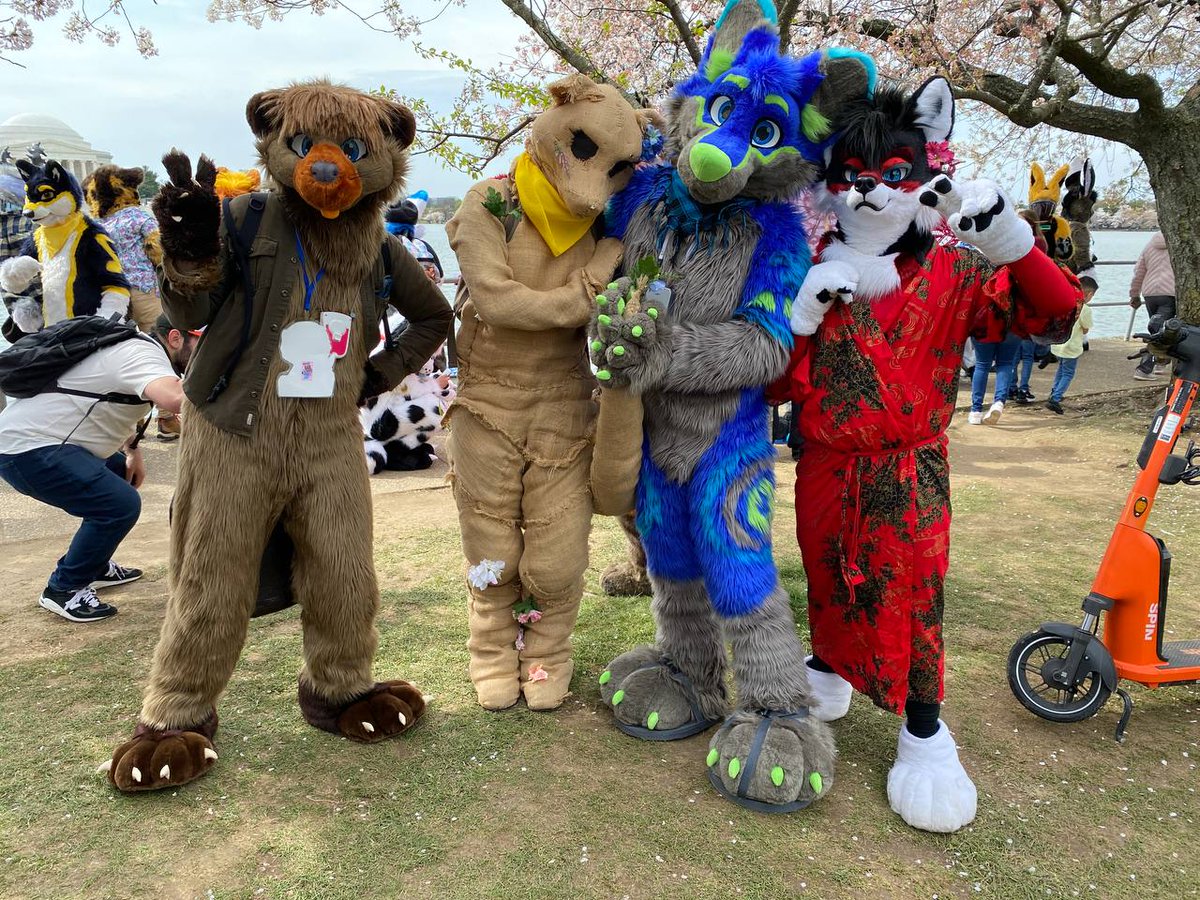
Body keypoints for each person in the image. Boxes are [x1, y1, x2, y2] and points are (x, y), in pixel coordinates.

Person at [0, 314, 194, 621]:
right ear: (175, 338)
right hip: (27, 449)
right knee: (119, 504)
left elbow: (110, 399)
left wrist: (132, 450)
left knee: (119, 477)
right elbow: (175, 399)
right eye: (201, 340)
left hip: (47, 442)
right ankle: (64, 588)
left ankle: (94, 563)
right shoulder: (142, 353)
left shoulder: (137, 349)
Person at [1046, 276, 1096, 414]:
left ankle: (1054, 391)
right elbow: (1086, 328)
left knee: (1061, 370)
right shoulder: (1085, 309)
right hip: (1071, 347)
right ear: (1089, 294)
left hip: (1059, 344)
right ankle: (1055, 398)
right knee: (1068, 373)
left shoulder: (1066, 302)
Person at [1130, 232, 1175, 380]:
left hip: (1150, 294)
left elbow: (1139, 271)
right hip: (1170, 293)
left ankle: (1161, 362)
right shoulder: (1178, 243)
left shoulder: (1150, 245)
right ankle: (1144, 368)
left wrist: (1134, 294)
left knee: (1158, 328)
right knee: (1163, 332)